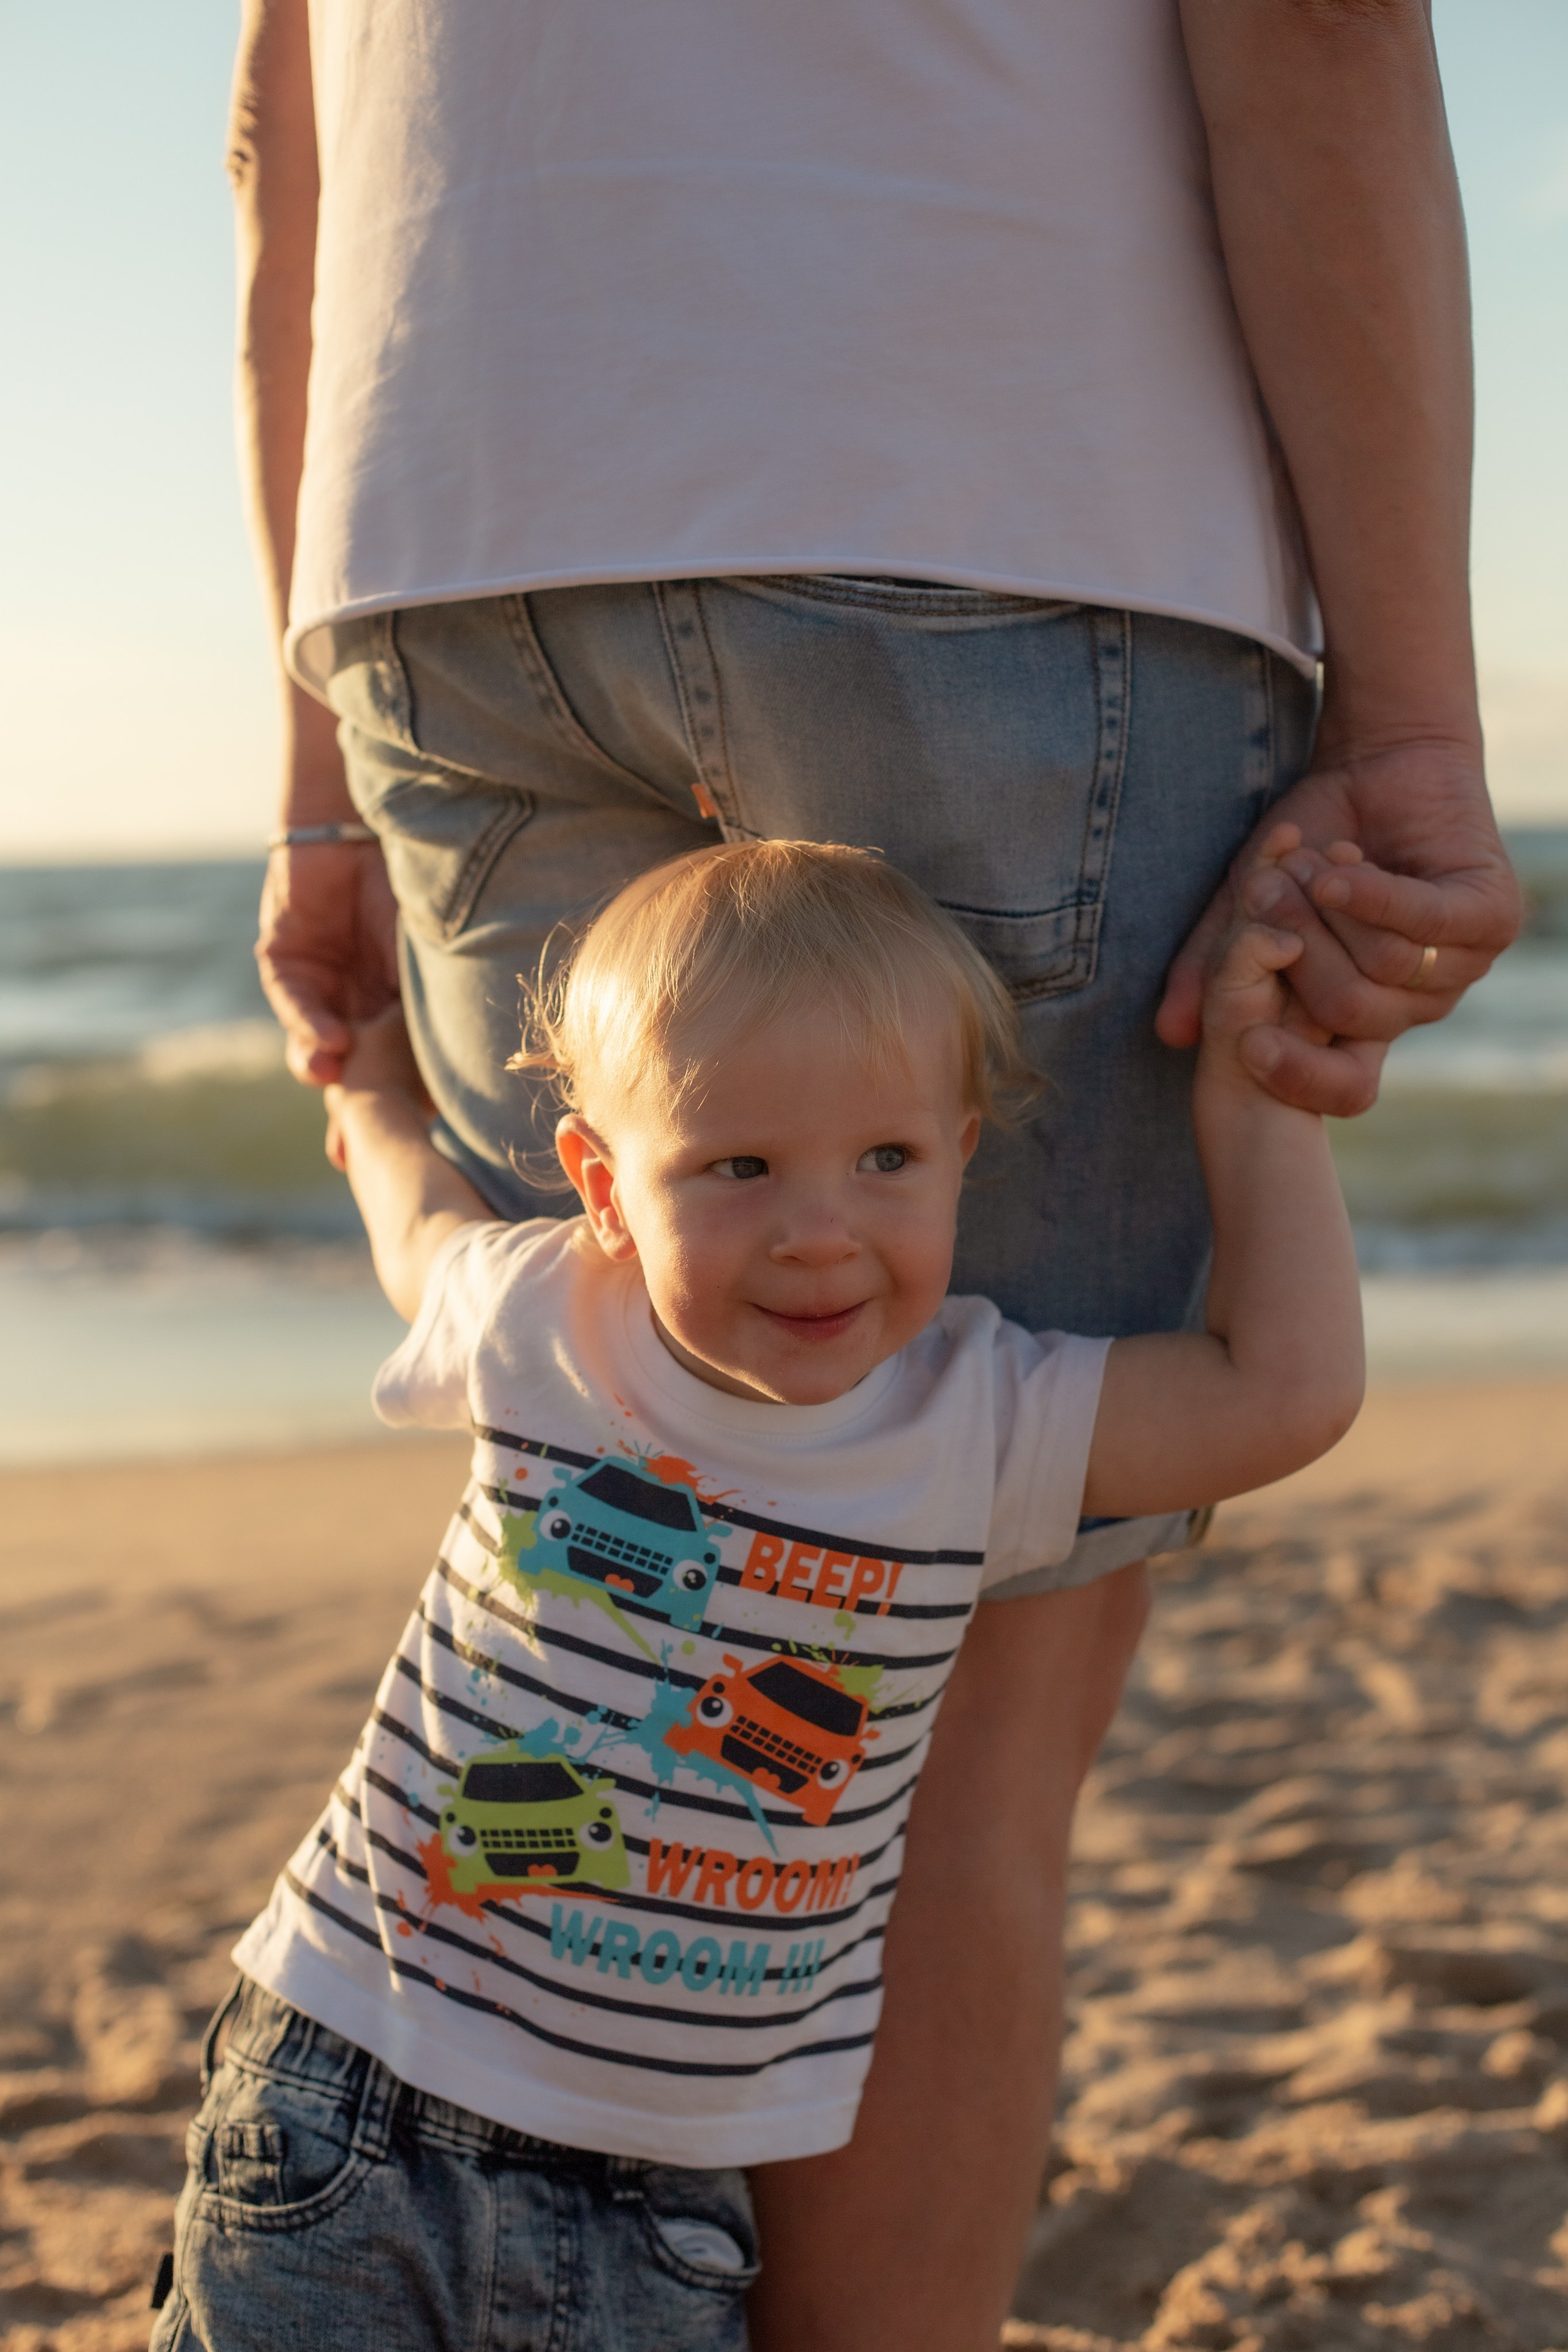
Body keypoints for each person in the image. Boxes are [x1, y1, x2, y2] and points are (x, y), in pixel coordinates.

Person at [227, 4, 1520, 2339]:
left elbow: (278, 128)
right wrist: (1416, 713)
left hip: (434, 534)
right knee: (956, 1731)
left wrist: (314, 781)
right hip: (983, 473)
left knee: (657, 1528)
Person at [157, 840, 1363, 2352]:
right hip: (356, 2100)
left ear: (960, 1153)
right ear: (603, 1182)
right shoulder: (545, 1314)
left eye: (887, 1162)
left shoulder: (972, 1420)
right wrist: (363, 1085)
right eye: (738, 1168)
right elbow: (414, 1224)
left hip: (670, 2192)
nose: (818, 1230)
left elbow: (1283, 1394)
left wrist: (1256, 1101)